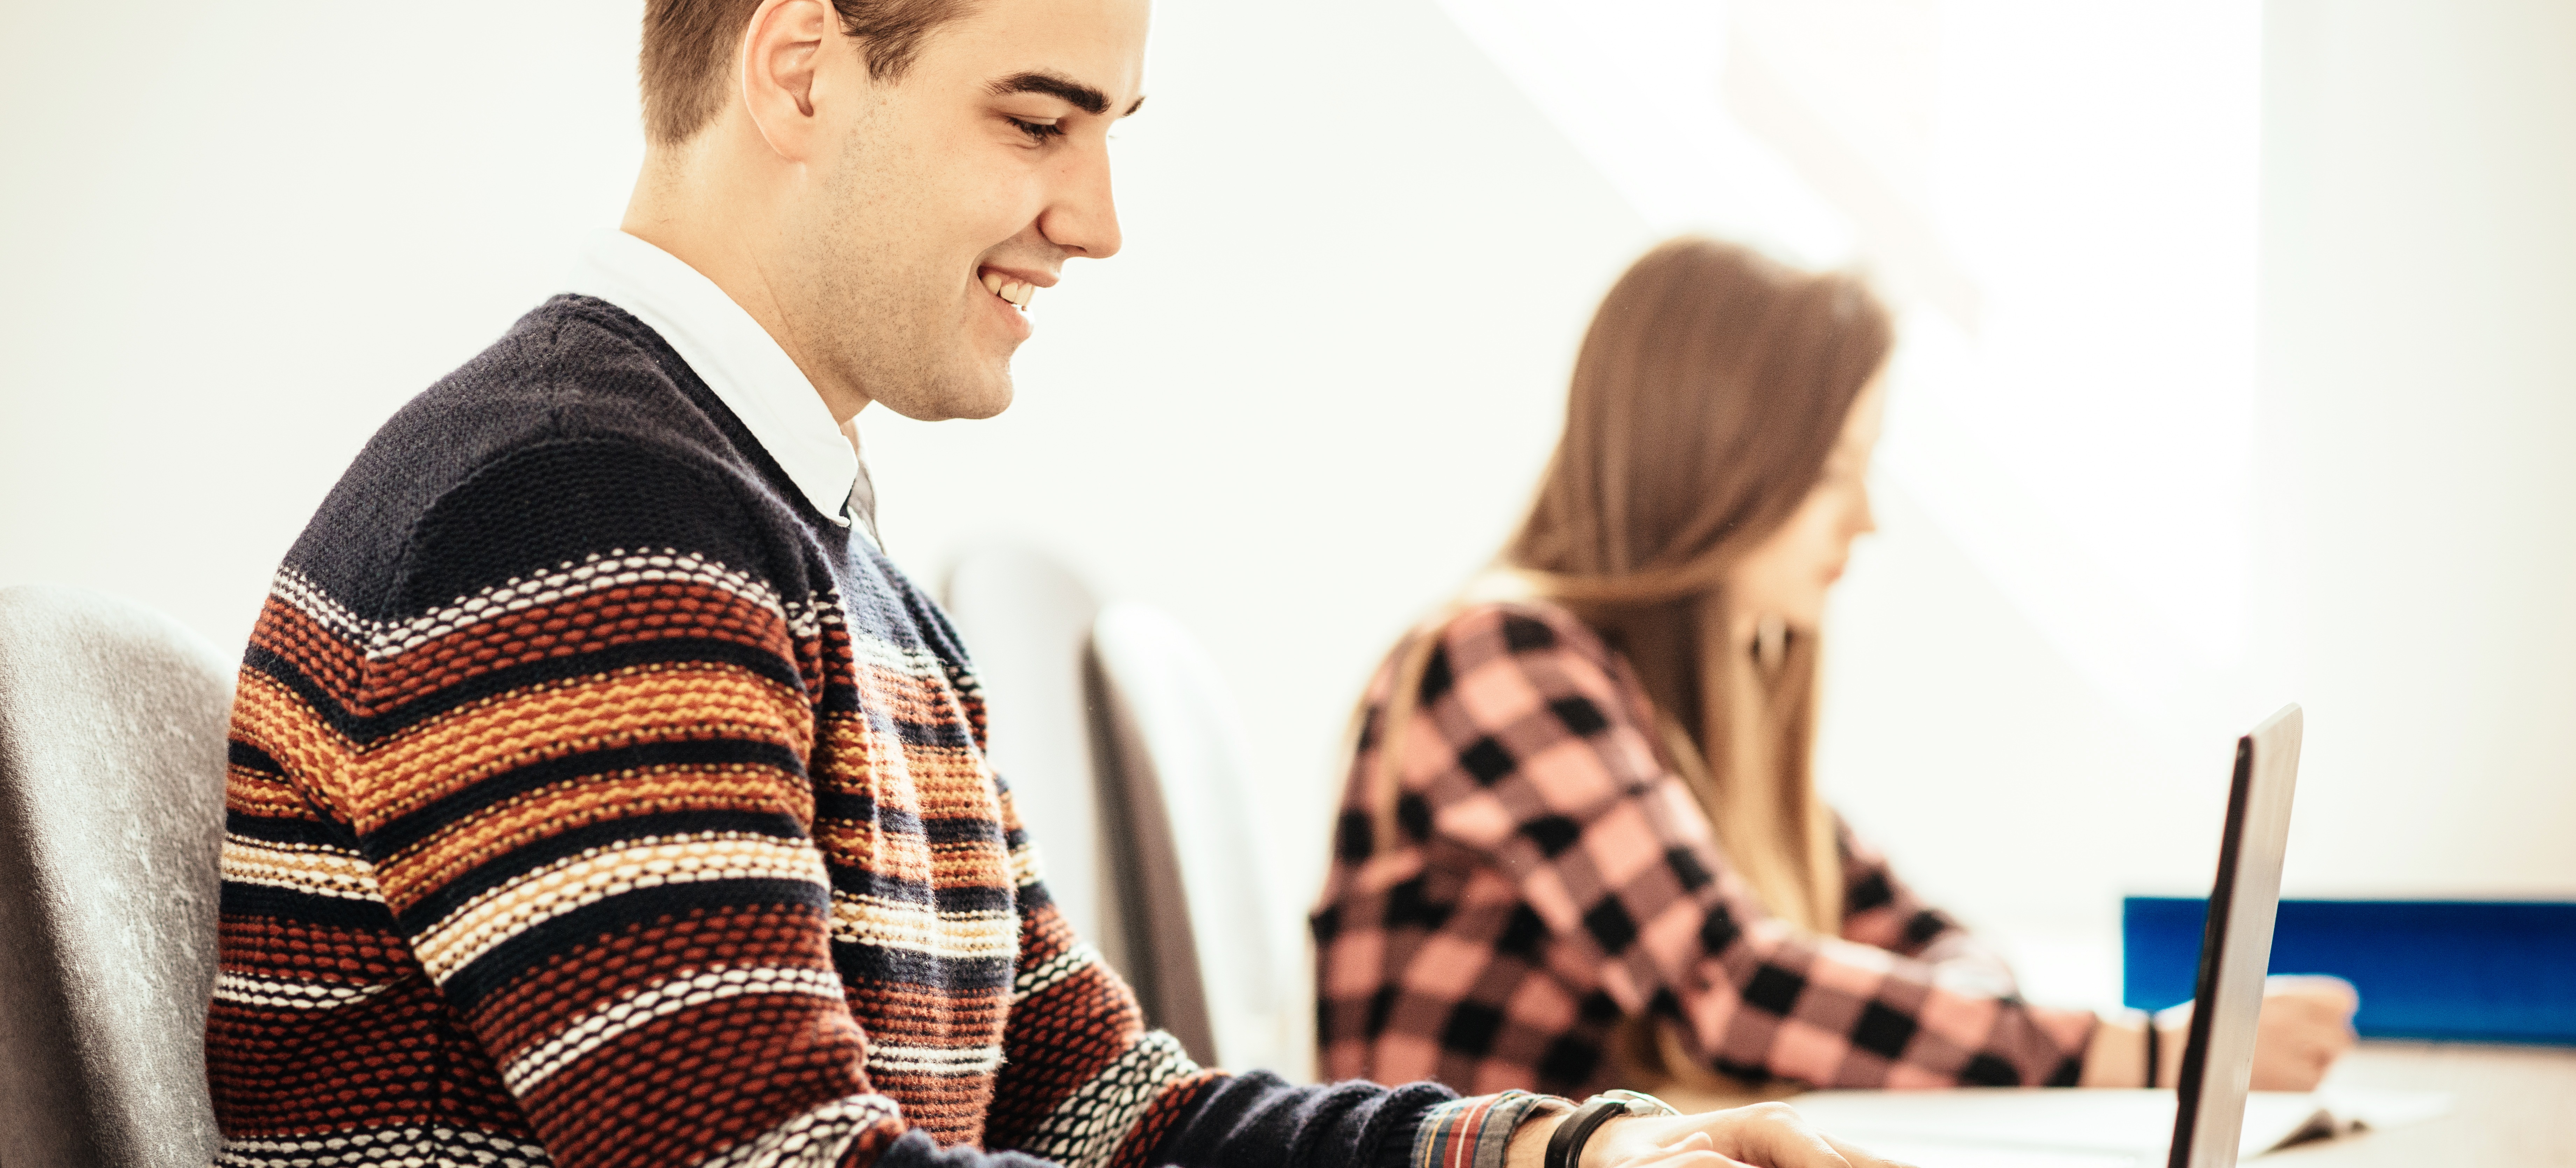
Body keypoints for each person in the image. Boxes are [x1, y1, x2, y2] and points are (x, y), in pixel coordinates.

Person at [202, 5, 1909, 1168]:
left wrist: (1585, 1152)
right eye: (1039, 120)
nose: (1095, 220)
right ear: (798, 71)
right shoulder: (568, 525)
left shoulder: (823, 568)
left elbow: (1124, 1121)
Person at [1311, 238, 2358, 1100]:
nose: (1866, 519)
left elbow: (1924, 940)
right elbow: (1732, 990)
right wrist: (2152, 1056)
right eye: (1833, 473)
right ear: (1712, 461)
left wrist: (1975, 1011)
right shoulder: (1499, 661)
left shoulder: (1687, 711)